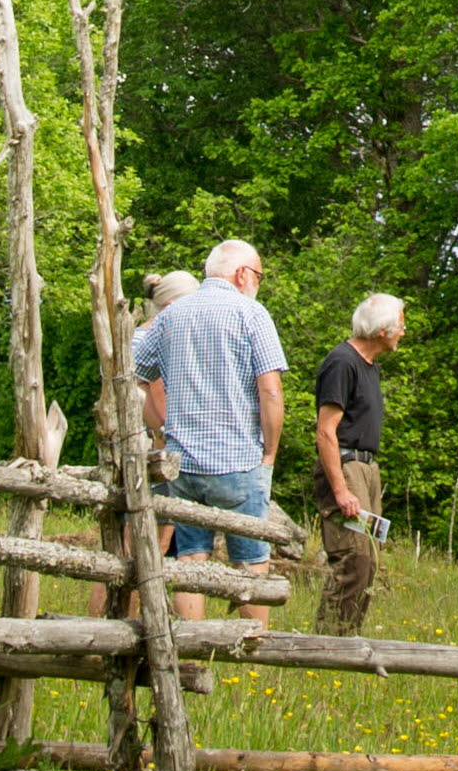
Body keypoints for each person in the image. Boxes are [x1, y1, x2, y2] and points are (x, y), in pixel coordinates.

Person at [132, 238, 287, 622]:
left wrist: (161, 430)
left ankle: (189, 647)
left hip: (184, 462)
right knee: (251, 562)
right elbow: (270, 389)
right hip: (239, 460)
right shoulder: (251, 314)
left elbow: (133, 379)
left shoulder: (172, 315)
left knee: (191, 561)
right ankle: (254, 651)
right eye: (259, 275)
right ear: (241, 274)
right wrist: (270, 451)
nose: (258, 283)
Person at [94, 270, 197, 617]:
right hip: (149, 452)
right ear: (170, 305)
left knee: (123, 548)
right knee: (146, 545)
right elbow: (154, 403)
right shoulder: (157, 338)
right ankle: (125, 623)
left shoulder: (134, 339)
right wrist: (167, 436)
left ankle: (110, 622)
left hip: (122, 449)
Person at [312, 293, 402, 637]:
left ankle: (347, 639)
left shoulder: (369, 365)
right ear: (383, 329)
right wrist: (340, 489)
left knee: (369, 560)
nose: (402, 332)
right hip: (345, 465)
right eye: (400, 325)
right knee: (353, 558)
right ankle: (327, 644)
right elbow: (325, 432)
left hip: (367, 468)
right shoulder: (342, 362)